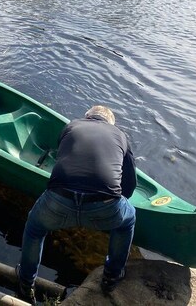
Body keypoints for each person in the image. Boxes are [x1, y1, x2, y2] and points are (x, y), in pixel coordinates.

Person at [16, 105, 136, 303]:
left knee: (35, 228)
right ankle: (112, 276)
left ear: (87, 117)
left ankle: (26, 282)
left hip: (59, 199)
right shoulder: (120, 136)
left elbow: (64, 156)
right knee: (127, 221)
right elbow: (130, 186)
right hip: (103, 204)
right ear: (111, 123)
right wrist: (113, 202)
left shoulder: (71, 126)